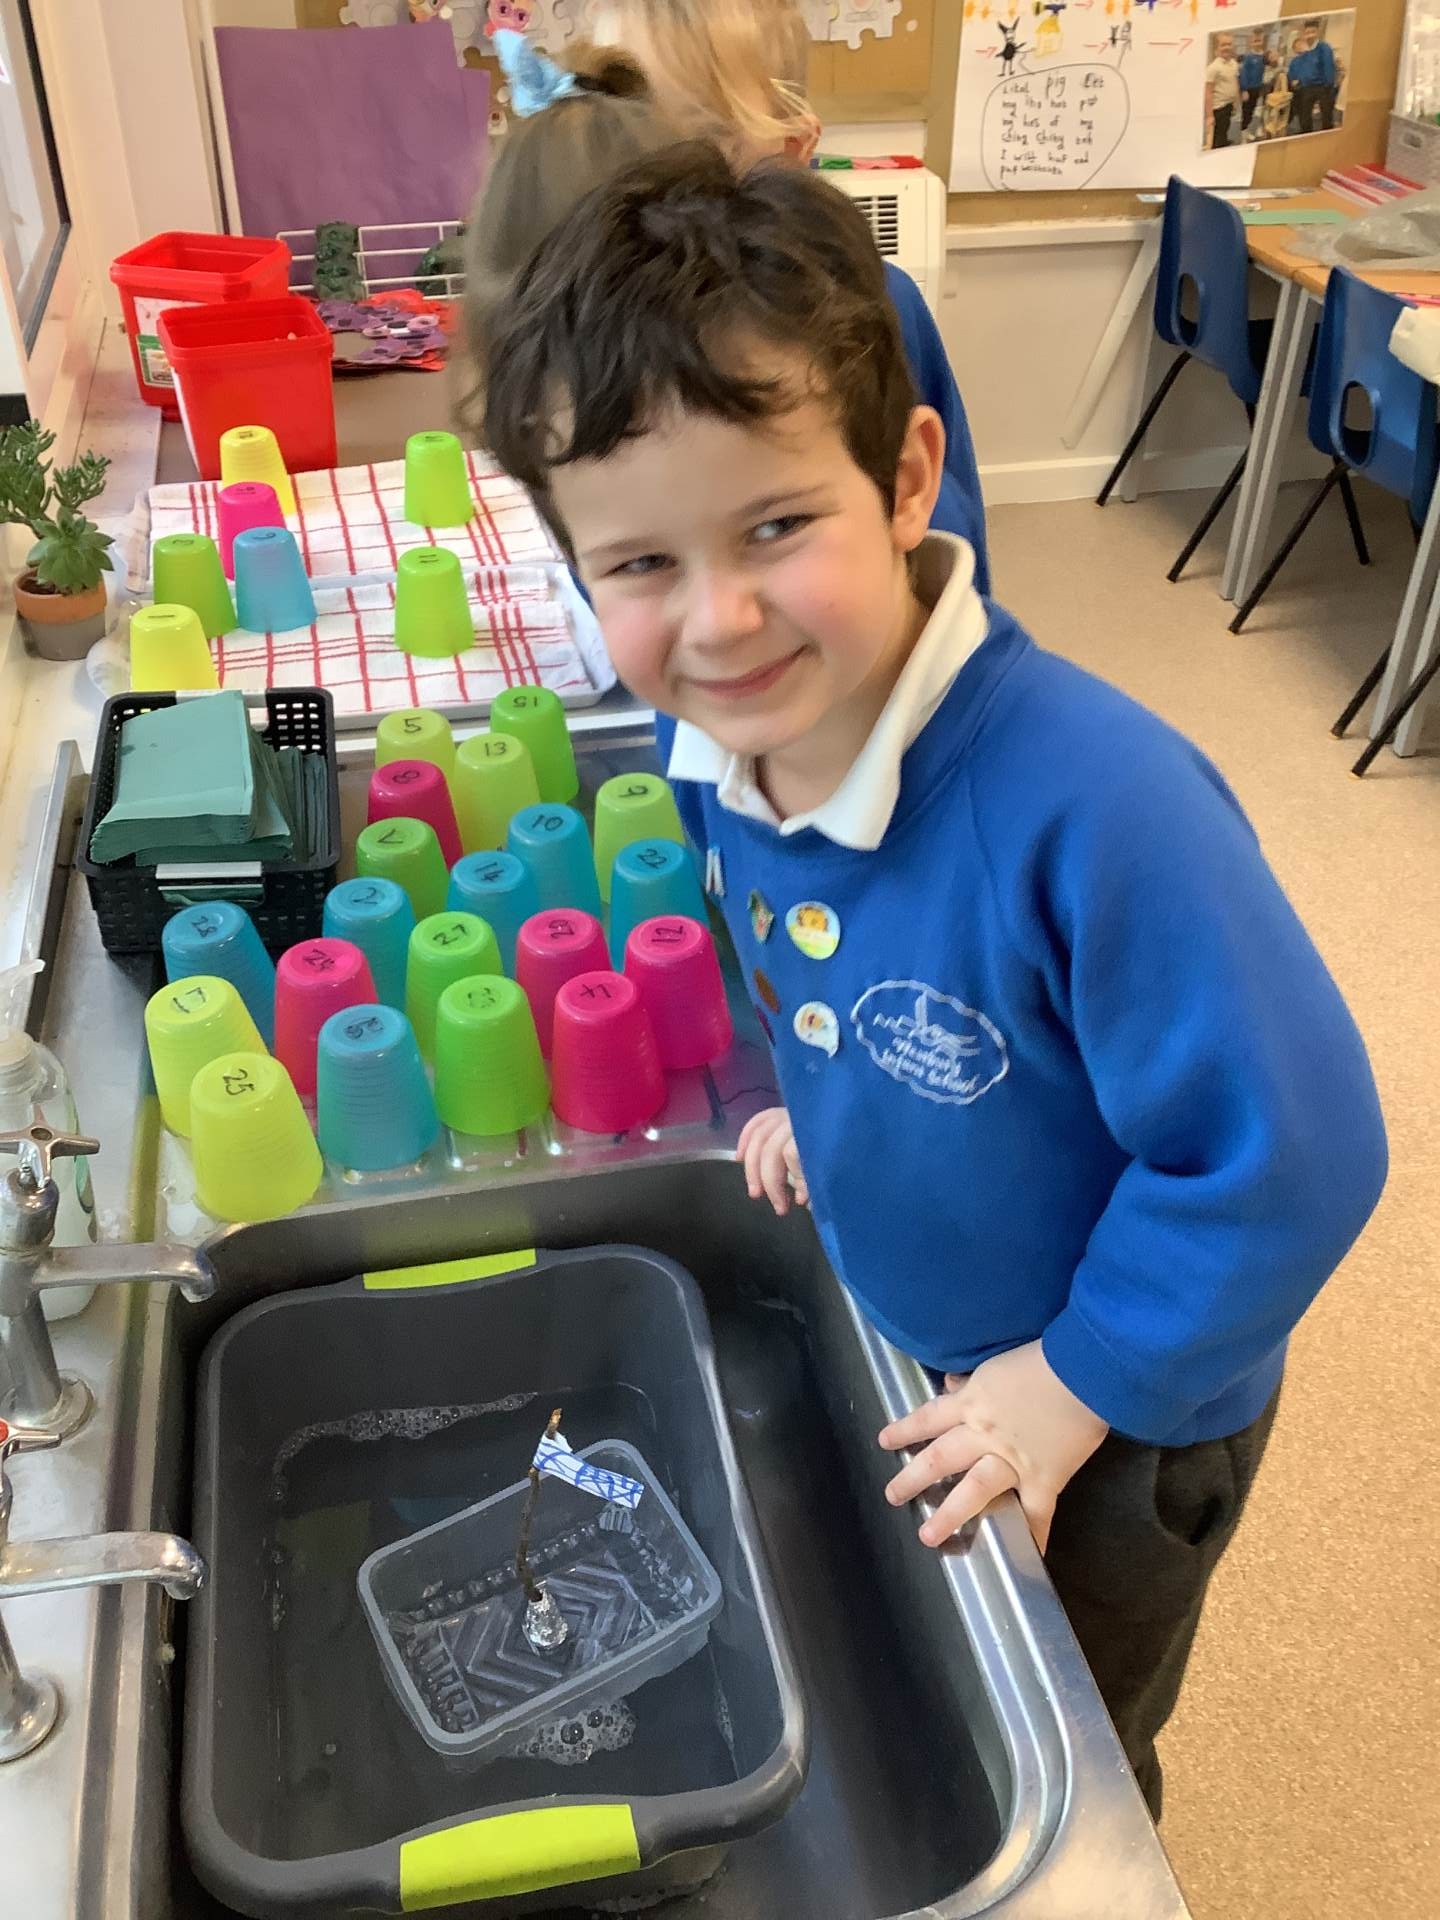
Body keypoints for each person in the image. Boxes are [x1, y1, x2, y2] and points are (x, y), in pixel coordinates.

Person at [481, 144, 1388, 1820]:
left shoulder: (1102, 806)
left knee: (1076, 1755)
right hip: (935, 1331)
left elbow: (1301, 1154)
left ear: (909, 478)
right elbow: (798, 951)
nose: (721, 620)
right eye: (642, 565)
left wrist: (1075, 1382)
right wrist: (796, 1091)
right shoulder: (725, 748)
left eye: (776, 525)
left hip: (1128, 1402)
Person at [590, 0, 991, 590]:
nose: (652, 186)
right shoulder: (597, 322)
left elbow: (950, 535)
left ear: (795, 150)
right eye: (621, 139)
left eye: (702, 143)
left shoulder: (880, 303)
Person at [1289, 21, 1326, 135]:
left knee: (1308, 111)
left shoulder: (1312, 55)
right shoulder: (1294, 62)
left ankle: (1308, 129)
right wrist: (1293, 80)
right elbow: (1291, 74)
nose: (1299, 47)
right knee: (1301, 111)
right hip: (1298, 89)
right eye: (1296, 46)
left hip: (1310, 87)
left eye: (1300, 45)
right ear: (1294, 49)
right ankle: (1302, 128)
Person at [1204, 33, 1240, 149]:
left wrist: (1235, 102)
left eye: (1229, 44)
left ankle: (1223, 141)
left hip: (1228, 105)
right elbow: (1208, 92)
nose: (1227, 47)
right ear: (1216, 48)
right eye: (1223, 45)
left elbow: (1234, 83)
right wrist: (1209, 116)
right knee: (1217, 137)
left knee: (1225, 128)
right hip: (1218, 108)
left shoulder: (1234, 64)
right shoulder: (1213, 68)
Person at [1239, 29, 1267, 133]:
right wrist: (1244, 90)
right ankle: (1243, 133)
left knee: (1253, 110)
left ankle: (1249, 130)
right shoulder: (1248, 57)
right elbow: (1244, 74)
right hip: (1249, 89)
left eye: (1259, 40)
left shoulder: (1264, 57)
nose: (1257, 43)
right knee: (1246, 112)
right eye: (1255, 41)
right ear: (1251, 42)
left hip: (1258, 88)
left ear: (1263, 41)